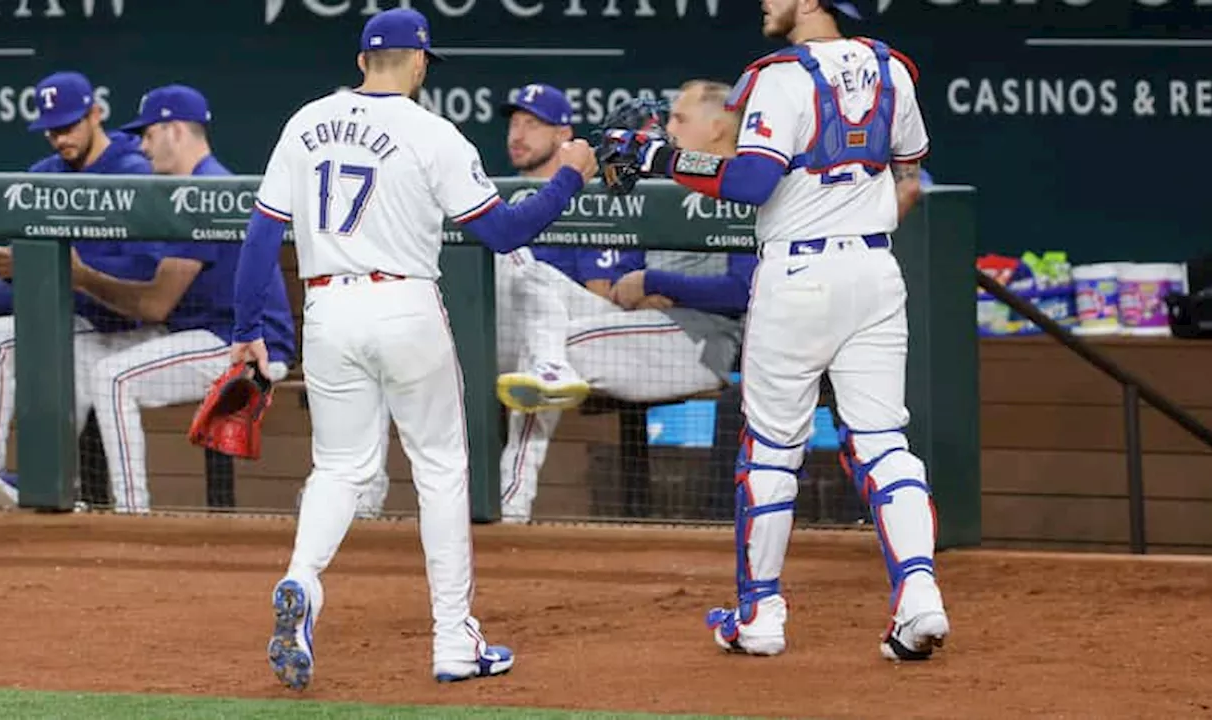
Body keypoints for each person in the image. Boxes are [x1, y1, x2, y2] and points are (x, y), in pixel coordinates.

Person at [229, 8, 597, 689]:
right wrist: (570, 174)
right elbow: (506, 233)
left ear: (362, 60)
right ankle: (454, 641)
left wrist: (246, 330)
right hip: (403, 303)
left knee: (339, 467)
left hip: (327, 308)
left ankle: (302, 578)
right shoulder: (434, 134)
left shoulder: (305, 122)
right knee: (440, 471)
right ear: (420, 62)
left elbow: (259, 237)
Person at [603, 0, 949, 661]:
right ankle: (919, 597)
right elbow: (910, 162)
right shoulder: (893, 68)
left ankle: (759, 615)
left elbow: (755, 180)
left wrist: (662, 158)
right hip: (875, 270)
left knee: (770, 450)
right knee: (881, 441)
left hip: (800, 275)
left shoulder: (780, 74)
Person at [358, 82, 638, 523]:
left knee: (528, 271)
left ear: (563, 135)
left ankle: (514, 501)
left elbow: (605, 297)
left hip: (584, 327)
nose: (517, 133)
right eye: (514, 123)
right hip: (508, 335)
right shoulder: (493, 196)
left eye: (532, 124)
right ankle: (364, 494)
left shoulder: (587, 197)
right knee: (390, 348)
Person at [496, 80, 758, 524]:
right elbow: (623, 264)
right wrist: (632, 282)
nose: (667, 126)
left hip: (698, 340)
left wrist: (657, 281)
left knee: (551, 352)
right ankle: (542, 379)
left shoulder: (747, 186)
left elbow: (743, 291)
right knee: (528, 268)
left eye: (679, 118)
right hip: (640, 324)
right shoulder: (667, 183)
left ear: (717, 128)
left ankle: (511, 503)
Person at [0, 70, 164, 507]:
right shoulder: (45, 174)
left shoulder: (133, 170)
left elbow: (145, 271)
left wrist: (72, 269)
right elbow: (38, 263)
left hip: (121, 329)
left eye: (68, 126)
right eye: (52, 130)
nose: (60, 138)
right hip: (68, 323)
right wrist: (16, 264)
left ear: (95, 114)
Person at [82, 85, 297, 513]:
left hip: (245, 347)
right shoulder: (192, 187)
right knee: (97, 366)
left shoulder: (205, 190)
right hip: (214, 334)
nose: (142, 148)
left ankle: (131, 512)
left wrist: (80, 276)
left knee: (112, 378)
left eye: (148, 135)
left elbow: (155, 305)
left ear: (175, 131)